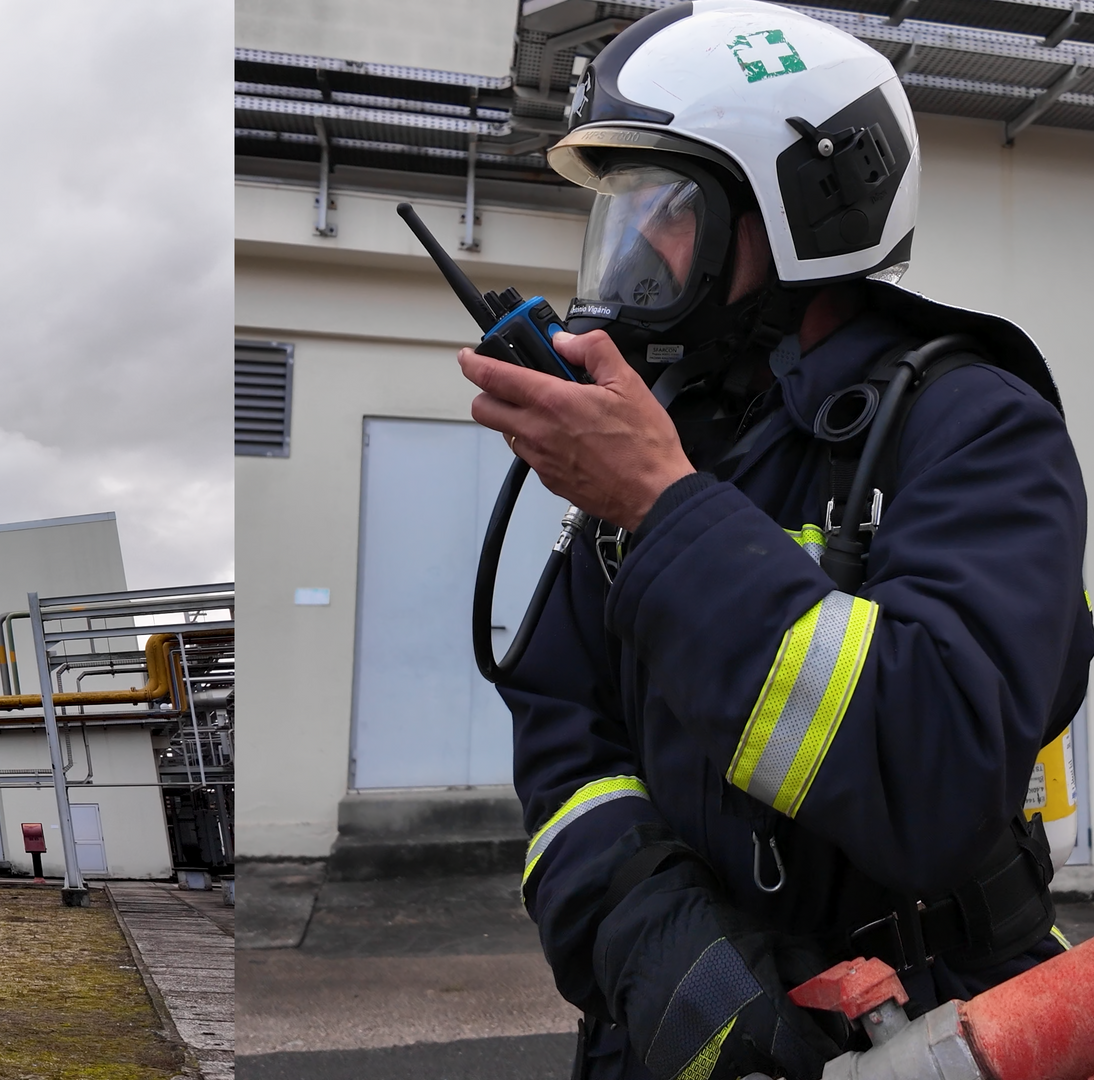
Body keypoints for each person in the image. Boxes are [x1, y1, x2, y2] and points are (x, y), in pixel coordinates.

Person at [458, 2, 1094, 1077]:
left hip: (929, 1027)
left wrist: (664, 508)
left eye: (664, 207)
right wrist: (670, 963)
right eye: (619, 211)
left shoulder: (980, 431)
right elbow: (568, 748)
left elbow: (936, 776)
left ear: (802, 209)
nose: (633, 249)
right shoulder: (675, 431)